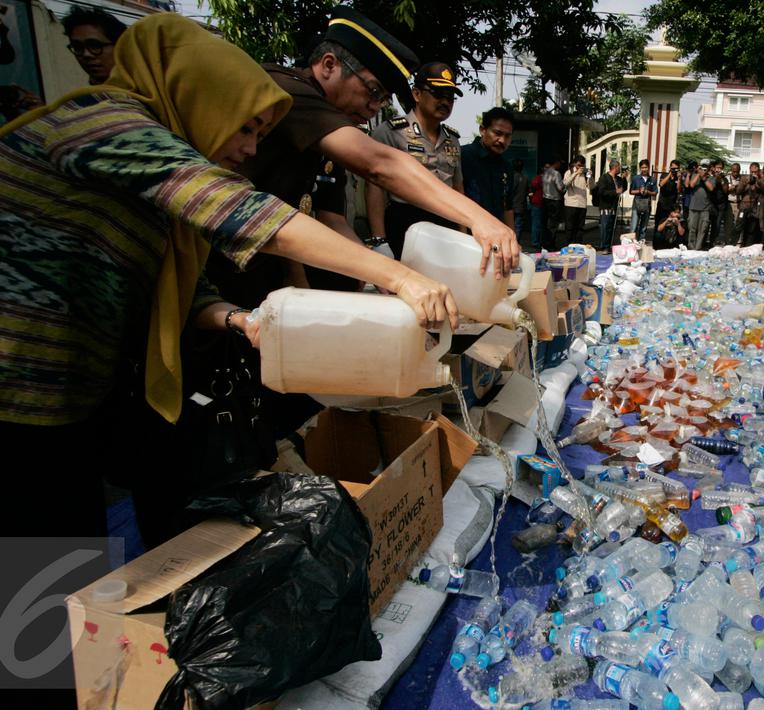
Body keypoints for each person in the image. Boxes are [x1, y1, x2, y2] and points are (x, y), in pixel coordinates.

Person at [0, 15, 458, 547]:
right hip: (18, 391)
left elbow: (181, 285)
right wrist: (401, 277)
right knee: (40, 567)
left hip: (72, 393)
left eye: (260, 134)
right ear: (196, 98)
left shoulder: (158, 179)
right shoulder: (103, 126)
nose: (250, 150)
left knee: (73, 556)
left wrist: (241, 320)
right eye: (245, 128)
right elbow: (245, 213)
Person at [209, 7, 518, 312]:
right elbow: (380, 165)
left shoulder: (329, 131)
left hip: (267, 267)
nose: (374, 107)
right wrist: (478, 219)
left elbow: (331, 217)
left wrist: (378, 270)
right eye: (372, 91)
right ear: (329, 65)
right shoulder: (290, 93)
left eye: (382, 100)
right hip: (221, 265)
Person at [365, 61, 465, 260]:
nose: (445, 102)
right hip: (405, 222)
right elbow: (374, 186)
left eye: (450, 97)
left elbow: (458, 188)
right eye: (438, 93)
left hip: (446, 224)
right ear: (417, 94)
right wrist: (379, 239)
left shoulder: (452, 139)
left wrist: (463, 235)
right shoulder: (391, 132)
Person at [460, 106, 516, 229]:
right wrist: (461, 236)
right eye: (497, 133)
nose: (502, 140)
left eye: (507, 136)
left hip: (495, 235)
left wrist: (512, 236)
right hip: (467, 234)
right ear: (483, 130)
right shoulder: (463, 156)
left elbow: (507, 208)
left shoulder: (506, 167)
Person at [62, 6, 126, 86]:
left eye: (95, 46)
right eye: (77, 47)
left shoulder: (139, 89)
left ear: (119, 47)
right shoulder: (83, 94)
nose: (86, 54)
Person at [593, 159, 622, 250]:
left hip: (614, 206)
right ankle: (604, 246)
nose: (620, 169)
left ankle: (608, 245)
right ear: (615, 167)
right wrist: (615, 191)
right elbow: (601, 192)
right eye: (619, 167)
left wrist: (625, 177)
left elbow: (623, 188)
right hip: (605, 206)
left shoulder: (617, 179)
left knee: (611, 226)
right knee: (605, 226)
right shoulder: (604, 178)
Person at [685, 160, 713, 250]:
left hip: (705, 209)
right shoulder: (695, 175)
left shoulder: (711, 178)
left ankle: (698, 248)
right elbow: (691, 185)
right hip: (693, 207)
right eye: (702, 167)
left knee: (702, 230)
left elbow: (711, 188)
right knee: (692, 229)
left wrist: (704, 177)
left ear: (708, 168)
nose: (704, 169)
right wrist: (698, 174)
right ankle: (691, 248)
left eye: (706, 167)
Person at [562, 155, 590, 245]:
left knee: (580, 228)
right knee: (569, 227)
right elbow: (566, 183)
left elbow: (592, 187)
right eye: (578, 165)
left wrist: (591, 177)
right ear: (574, 164)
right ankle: (568, 245)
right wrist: (576, 173)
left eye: (582, 165)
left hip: (582, 204)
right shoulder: (569, 172)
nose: (580, 167)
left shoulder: (585, 174)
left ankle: (578, 245)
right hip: (570, 204)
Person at [629, 158, 657, 242]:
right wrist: (639, 191)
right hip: (636, 203)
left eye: (645, 167)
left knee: (644, 227)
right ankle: (631, 243)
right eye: (642, 167)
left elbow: (655, 192)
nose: (644, 169)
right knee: (634, 226)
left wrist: (647, 192)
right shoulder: (635, 178)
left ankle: (641, 242)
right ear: (640, 168)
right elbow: (631, 191)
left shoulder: (653, 179)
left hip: (647, 204)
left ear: (648, 167)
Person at [541, 157, 564, 248]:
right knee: (553, 224)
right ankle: (551, 244)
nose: (560, 165)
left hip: (545, 199)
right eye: (559, 163)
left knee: (546, 222)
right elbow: (560, 188)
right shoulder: (556, 173)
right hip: (554, 200)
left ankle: (544, 243)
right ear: (556, 162)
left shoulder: (545, 172)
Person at [656, 159, 683, 230]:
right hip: (662, 204)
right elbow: (661, 184)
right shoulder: (664, 175)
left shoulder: (678, 178)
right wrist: (670, 174)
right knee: (659, 224)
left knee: (669, 225)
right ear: (670, 167)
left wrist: (679, 179)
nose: (674, 170)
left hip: (672, 206)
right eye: (673, 168)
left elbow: (678, 190)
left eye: (676, 168)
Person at [509, 158, 529, 243]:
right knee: (518, 226)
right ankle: (516, 242)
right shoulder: (525, 178)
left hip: (511, 205)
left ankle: (511, 241)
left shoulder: (511, 177)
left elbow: (509, 191)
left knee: (509, 224)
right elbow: (527, 191)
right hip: (521, 205)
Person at [528, 166, 545, 251]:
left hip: (538, 203)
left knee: (537, 223)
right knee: (537, 223)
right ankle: (536, 242)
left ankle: (537, 241)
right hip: (538, 203)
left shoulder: (538, 178)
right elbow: (533, 186)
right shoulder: (539, 178)